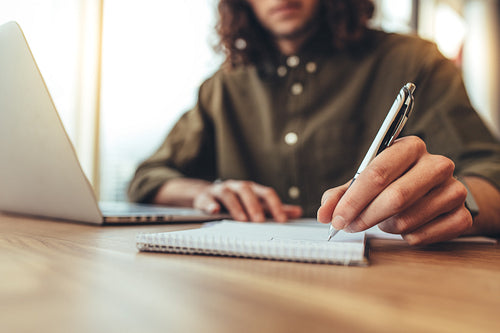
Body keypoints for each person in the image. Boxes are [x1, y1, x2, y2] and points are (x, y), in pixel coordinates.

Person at [128, 0, 500, 245]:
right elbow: (149, 176)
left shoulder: (414, 62)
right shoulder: (222, 88)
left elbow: (492, 174)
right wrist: (204, 192)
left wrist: (461, 200)